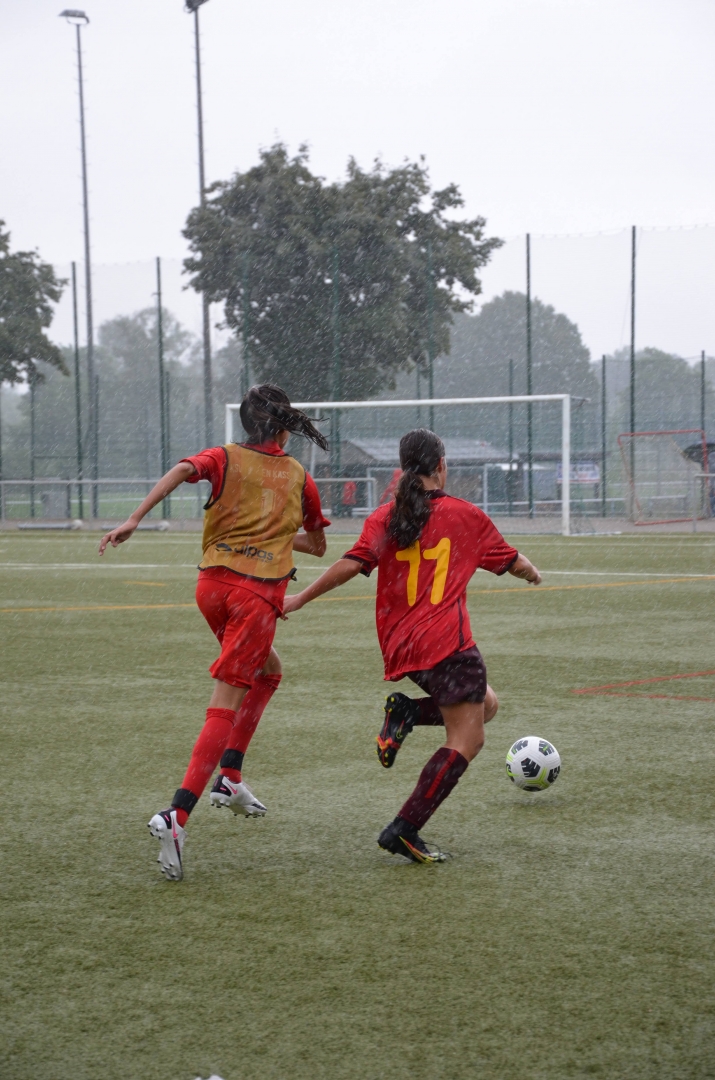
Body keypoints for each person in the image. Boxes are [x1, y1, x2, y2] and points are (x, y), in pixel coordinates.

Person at [99, 385, 330, 881]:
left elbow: (183, 469)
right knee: (226, 700)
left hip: (211, 588)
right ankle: (177, 815)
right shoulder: (299, 476)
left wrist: (135, 518)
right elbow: (318, 545)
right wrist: (275, 532)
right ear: (284, 428)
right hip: (255, 598)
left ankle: (230, 777)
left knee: (269, 671)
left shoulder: (224, 457)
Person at [283, 428, 541, 863]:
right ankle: (404, 828)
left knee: (487, 705)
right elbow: (513, 562)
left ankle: (405, 712)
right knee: (468, 740)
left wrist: (301, 598)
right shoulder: (465, 515)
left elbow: (352, 563)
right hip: (448, 645)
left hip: (403, 644)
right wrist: (533, 572)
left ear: (403, 468)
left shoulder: (384, 517)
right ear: (441, 466)